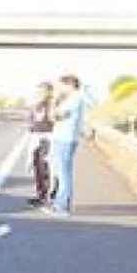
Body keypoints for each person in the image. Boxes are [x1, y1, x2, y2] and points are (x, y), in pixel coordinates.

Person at [44, 74, 87, 217]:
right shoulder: (72, 98)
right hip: (63, 138)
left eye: (61, 85)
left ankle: (62, 207)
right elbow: (53, 117)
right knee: (62, 172)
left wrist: (54, 101)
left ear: (69, 85)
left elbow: (56, 116)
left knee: (64, 174)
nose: (59, 88)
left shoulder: (75, 98)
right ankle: (59, 204)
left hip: (66, 139)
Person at [27, 82, 56, 207]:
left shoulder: (52, 104)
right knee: (37, 167)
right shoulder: (36, 104)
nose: (38, 93)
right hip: (36, 137)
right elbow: (32, 120)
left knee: (46, 167)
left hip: (47, 137)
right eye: (37, 91)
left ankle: (49, 195)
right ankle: (41, 195)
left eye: (41, 91)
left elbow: (53, 120)